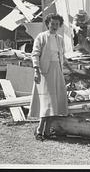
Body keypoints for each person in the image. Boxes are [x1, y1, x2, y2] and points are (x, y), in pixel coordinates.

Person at [28, 13, 70, 141]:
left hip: (57, 71)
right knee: (46, 102)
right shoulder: (41, 37)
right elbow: (35, 54)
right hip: (45, 72)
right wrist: (36, 70)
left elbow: (61, 56)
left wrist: (69, 68)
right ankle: (39, 130)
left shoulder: (60, 39)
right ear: (48, 24)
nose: (55, 26)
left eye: (57, 24)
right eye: (52, 24)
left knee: (54, 103)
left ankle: (47, 131)